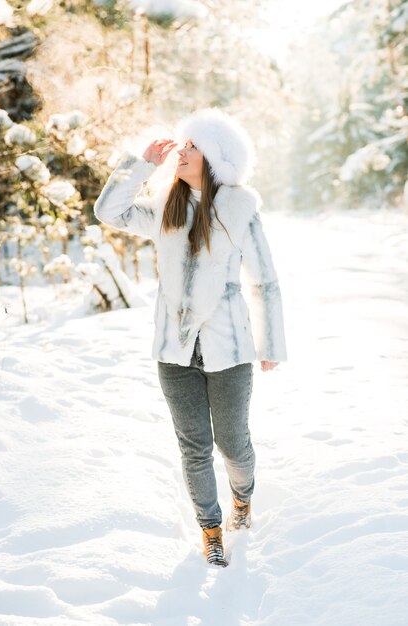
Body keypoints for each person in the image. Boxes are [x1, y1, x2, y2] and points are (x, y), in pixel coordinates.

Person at [94, 107, 287, 568]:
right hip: (173, 350)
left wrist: (270, 345)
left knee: (233, 443)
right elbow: (109, 211)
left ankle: (243, 499)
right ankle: (210, 528)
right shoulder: (166, 205)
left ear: (217, 157)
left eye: (193, 145)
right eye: (183, 143)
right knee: (194, 447)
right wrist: (141, 164)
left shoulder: (240, 210)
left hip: (231, 349)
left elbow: (265, 283)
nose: (182, 151)